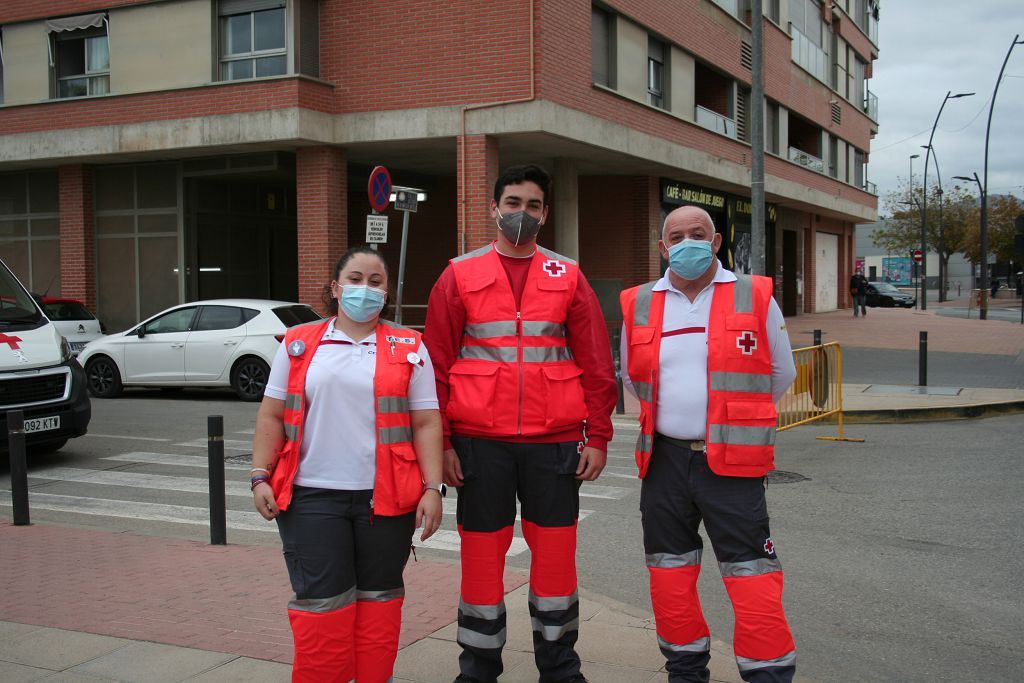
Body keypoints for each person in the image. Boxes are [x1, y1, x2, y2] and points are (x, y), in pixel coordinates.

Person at [424, 164, 618, 683]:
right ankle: (478, 669)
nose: (521, 214)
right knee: (481, 562)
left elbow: (598, 364)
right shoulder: (457, 274)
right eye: (513, 203)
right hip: (478, 446)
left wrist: (597, 436)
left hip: (554, 445)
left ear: (545, 214)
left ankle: (560, 668)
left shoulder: (568, 274)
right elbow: (436, 368)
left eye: (533, 206)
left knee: (556, 563)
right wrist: (442, 445)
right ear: (494, 208)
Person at [619, 205, 798, 683]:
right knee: (669, 576)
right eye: (676, 236)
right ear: (663, 248)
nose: (687, 243)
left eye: (697, 234)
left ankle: (768, 674)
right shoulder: (638, 301)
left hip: (733, 462)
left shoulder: (753, 295)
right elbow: (631, 379)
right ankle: (685, 670)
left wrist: (728, 419)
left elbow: (781, 373)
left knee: (753, 577)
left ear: (716, 242)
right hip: (664, 460)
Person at [251, 246, 444, 683]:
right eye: (355, 279)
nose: (365, 289)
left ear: (386, 292)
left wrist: (434, 488)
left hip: (386, 502)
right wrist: (259, 474)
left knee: (379, 605)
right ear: (336, 288)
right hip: (311, 497)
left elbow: (427, 422)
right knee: (323, 607)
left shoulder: (410, 346)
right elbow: (271, 415)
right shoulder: (300, 343)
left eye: (375, 282)